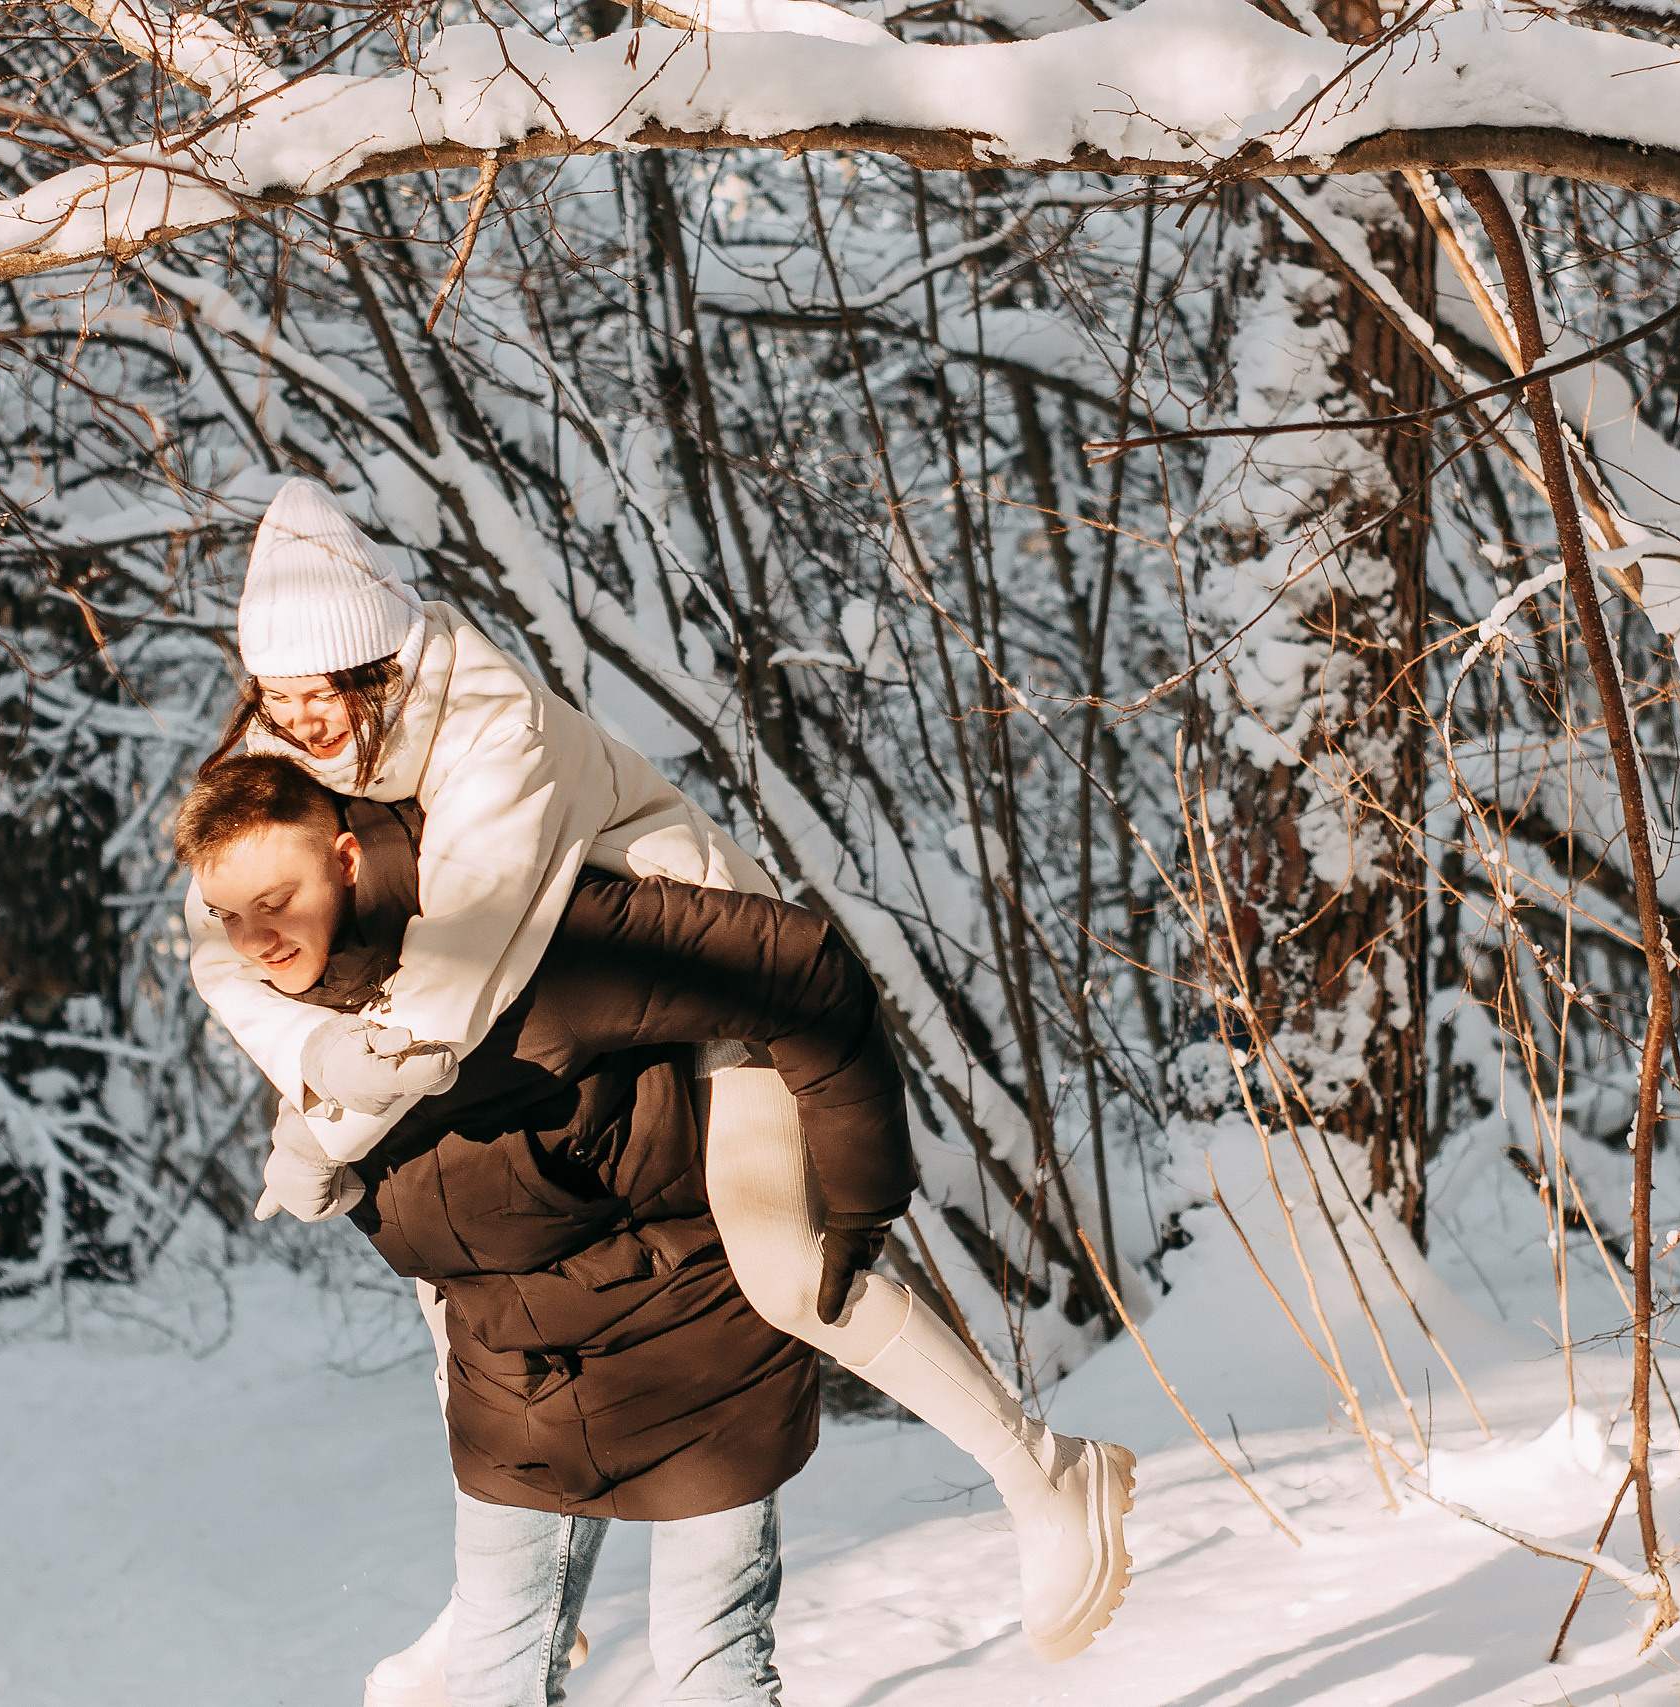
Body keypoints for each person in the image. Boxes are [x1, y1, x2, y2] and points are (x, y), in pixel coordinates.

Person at [182, 478, 1133, 1669]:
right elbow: (209, 934)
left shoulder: (494, 731)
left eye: (321, 692)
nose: (298, 721)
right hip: (539, 1018)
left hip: (694, 984)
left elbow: (450, 991)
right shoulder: (296, 742)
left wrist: (317, 1136)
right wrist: (314, 1060)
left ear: (384, 666)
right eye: (275, 696)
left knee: (784, 1267)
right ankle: (511, 1607)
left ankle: (1045, 1475)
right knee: (462, 1266)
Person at [180, 756, 848, 1705]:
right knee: (496, 1668)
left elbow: (796, 972)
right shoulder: (299, 1017)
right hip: (517, 1373)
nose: (258, 939)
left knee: (712, 1662)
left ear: (344, 858)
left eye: (277, 898)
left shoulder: (530, 930)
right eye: (230, 918)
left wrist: (863, 1191)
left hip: (695, 1333)